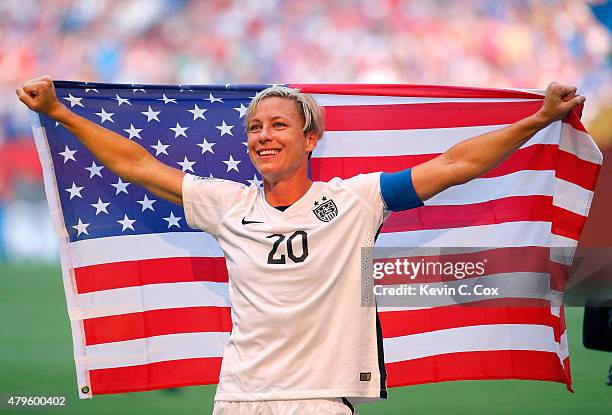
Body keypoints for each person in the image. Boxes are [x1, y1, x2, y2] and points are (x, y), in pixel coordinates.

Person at [17, 77, 585, 414]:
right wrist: (59, 111)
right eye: (255, 128)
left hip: (320, 398)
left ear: (311, 138)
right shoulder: (226, 203)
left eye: (279, 125)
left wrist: (538, 118)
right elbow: (136, 164)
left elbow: (455, 165)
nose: (264, 136)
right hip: (239, 397)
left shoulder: (360, 200)